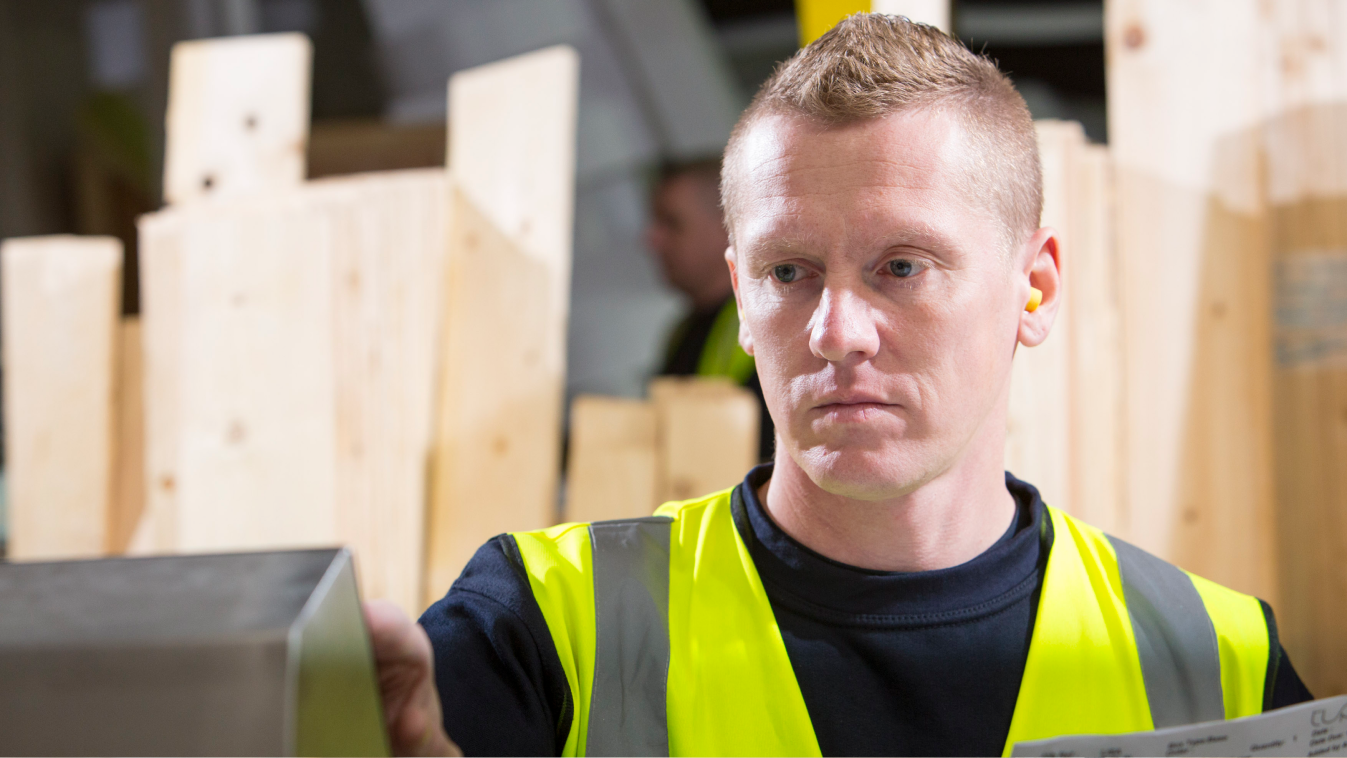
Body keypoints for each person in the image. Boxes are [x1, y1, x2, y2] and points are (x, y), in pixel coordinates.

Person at [367, 14, 1313, 757]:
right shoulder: (547, 625)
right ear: (739, 296)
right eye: (788, 273)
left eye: (901, 267)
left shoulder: (1215, 657)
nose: (834, 332)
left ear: (1035, 289)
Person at [646, 158, 775, 459]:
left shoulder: (767, 323)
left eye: (672, 223)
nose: (652, 239)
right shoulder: (684, 328)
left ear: (727, 227)